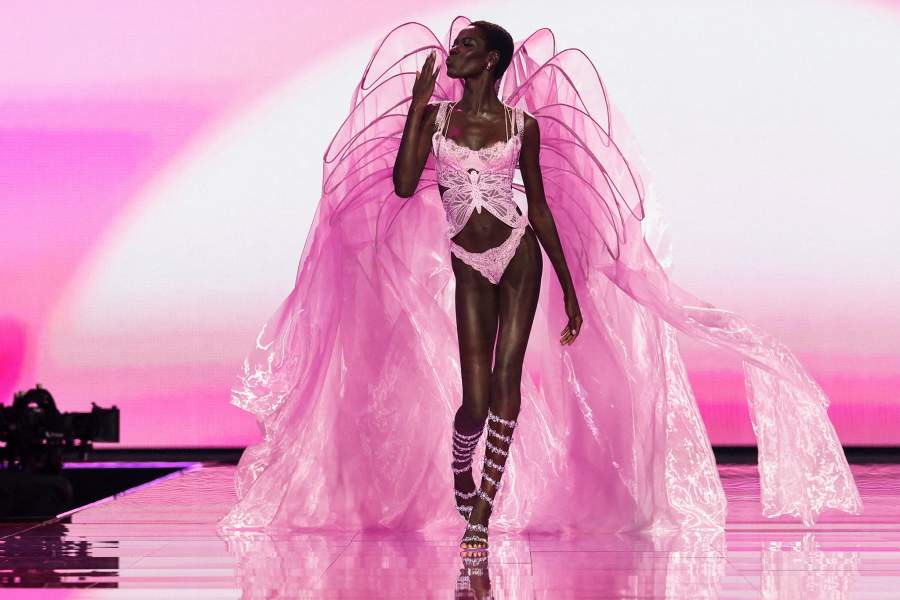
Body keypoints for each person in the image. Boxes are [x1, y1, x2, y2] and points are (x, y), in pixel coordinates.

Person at [217, 18, 863, 551]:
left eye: (467, 46)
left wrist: (572, 292)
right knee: (474, 400)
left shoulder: (522, 126)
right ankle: (463, 474)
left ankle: (482, 510)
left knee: (507, 383)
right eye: (456, 44)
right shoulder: (437, 119)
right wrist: (415, 107)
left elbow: (543, 208)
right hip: (469, 261)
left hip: (519, 254)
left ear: (491, 61)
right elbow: (406, 184)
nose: (453, 51)